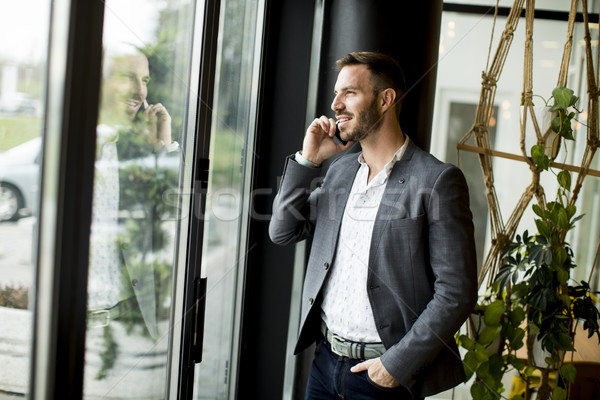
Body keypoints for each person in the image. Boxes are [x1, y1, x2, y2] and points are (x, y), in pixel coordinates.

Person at [269, 51, 478, 399]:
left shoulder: (437, 180)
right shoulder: (339, 171)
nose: (336, 104)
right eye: (337, 94)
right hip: (324, 364)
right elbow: (282, 230)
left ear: (385, 100)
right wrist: (308, 160)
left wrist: (396, 365)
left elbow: (456, 292)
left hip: (383, 377)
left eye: (350, 93)